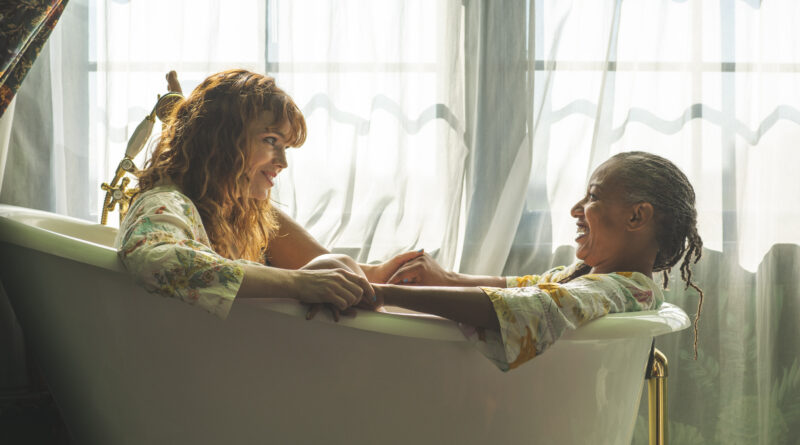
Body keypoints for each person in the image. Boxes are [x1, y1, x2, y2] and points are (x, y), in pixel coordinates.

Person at [115, 69, 420, 320]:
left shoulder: (239, 209)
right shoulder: (165, 202)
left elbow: (323, 266)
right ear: (220, 141)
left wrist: (378, 274)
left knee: (336, 263)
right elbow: (157, 260)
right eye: (271, 140)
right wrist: (298, 284)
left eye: (285, 147)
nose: (282, 162)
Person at [370, 151, 704, 370]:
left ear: (636, 216)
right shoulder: (593, 280)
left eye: (593, 196)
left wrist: (382, 295)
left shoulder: (618, 292)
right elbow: (522, 287)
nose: (575, 209)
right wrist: (447, 279)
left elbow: (527, 306)